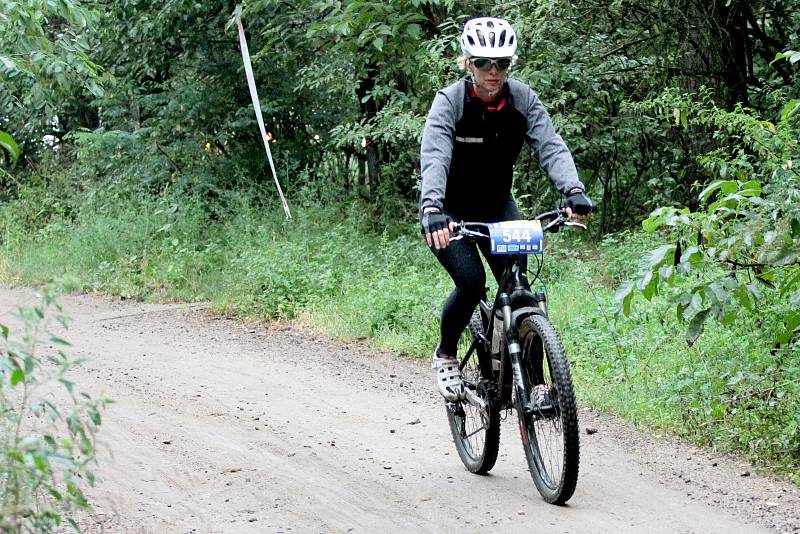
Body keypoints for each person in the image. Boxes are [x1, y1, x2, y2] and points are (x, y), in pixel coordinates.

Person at [419, 16, 593, 401]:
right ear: (468, 63)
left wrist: (573, 191)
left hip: (497, 205)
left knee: (519, 291)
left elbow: (550, 145)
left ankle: (532, 385)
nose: (492, 71)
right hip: (447, 212)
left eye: (501, 63)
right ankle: (446, 355)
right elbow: (434, 157)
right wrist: (432, 206)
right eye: (483, 63)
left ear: (510, 64)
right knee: (471, 281)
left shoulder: (522, 100)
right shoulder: (450, 103)